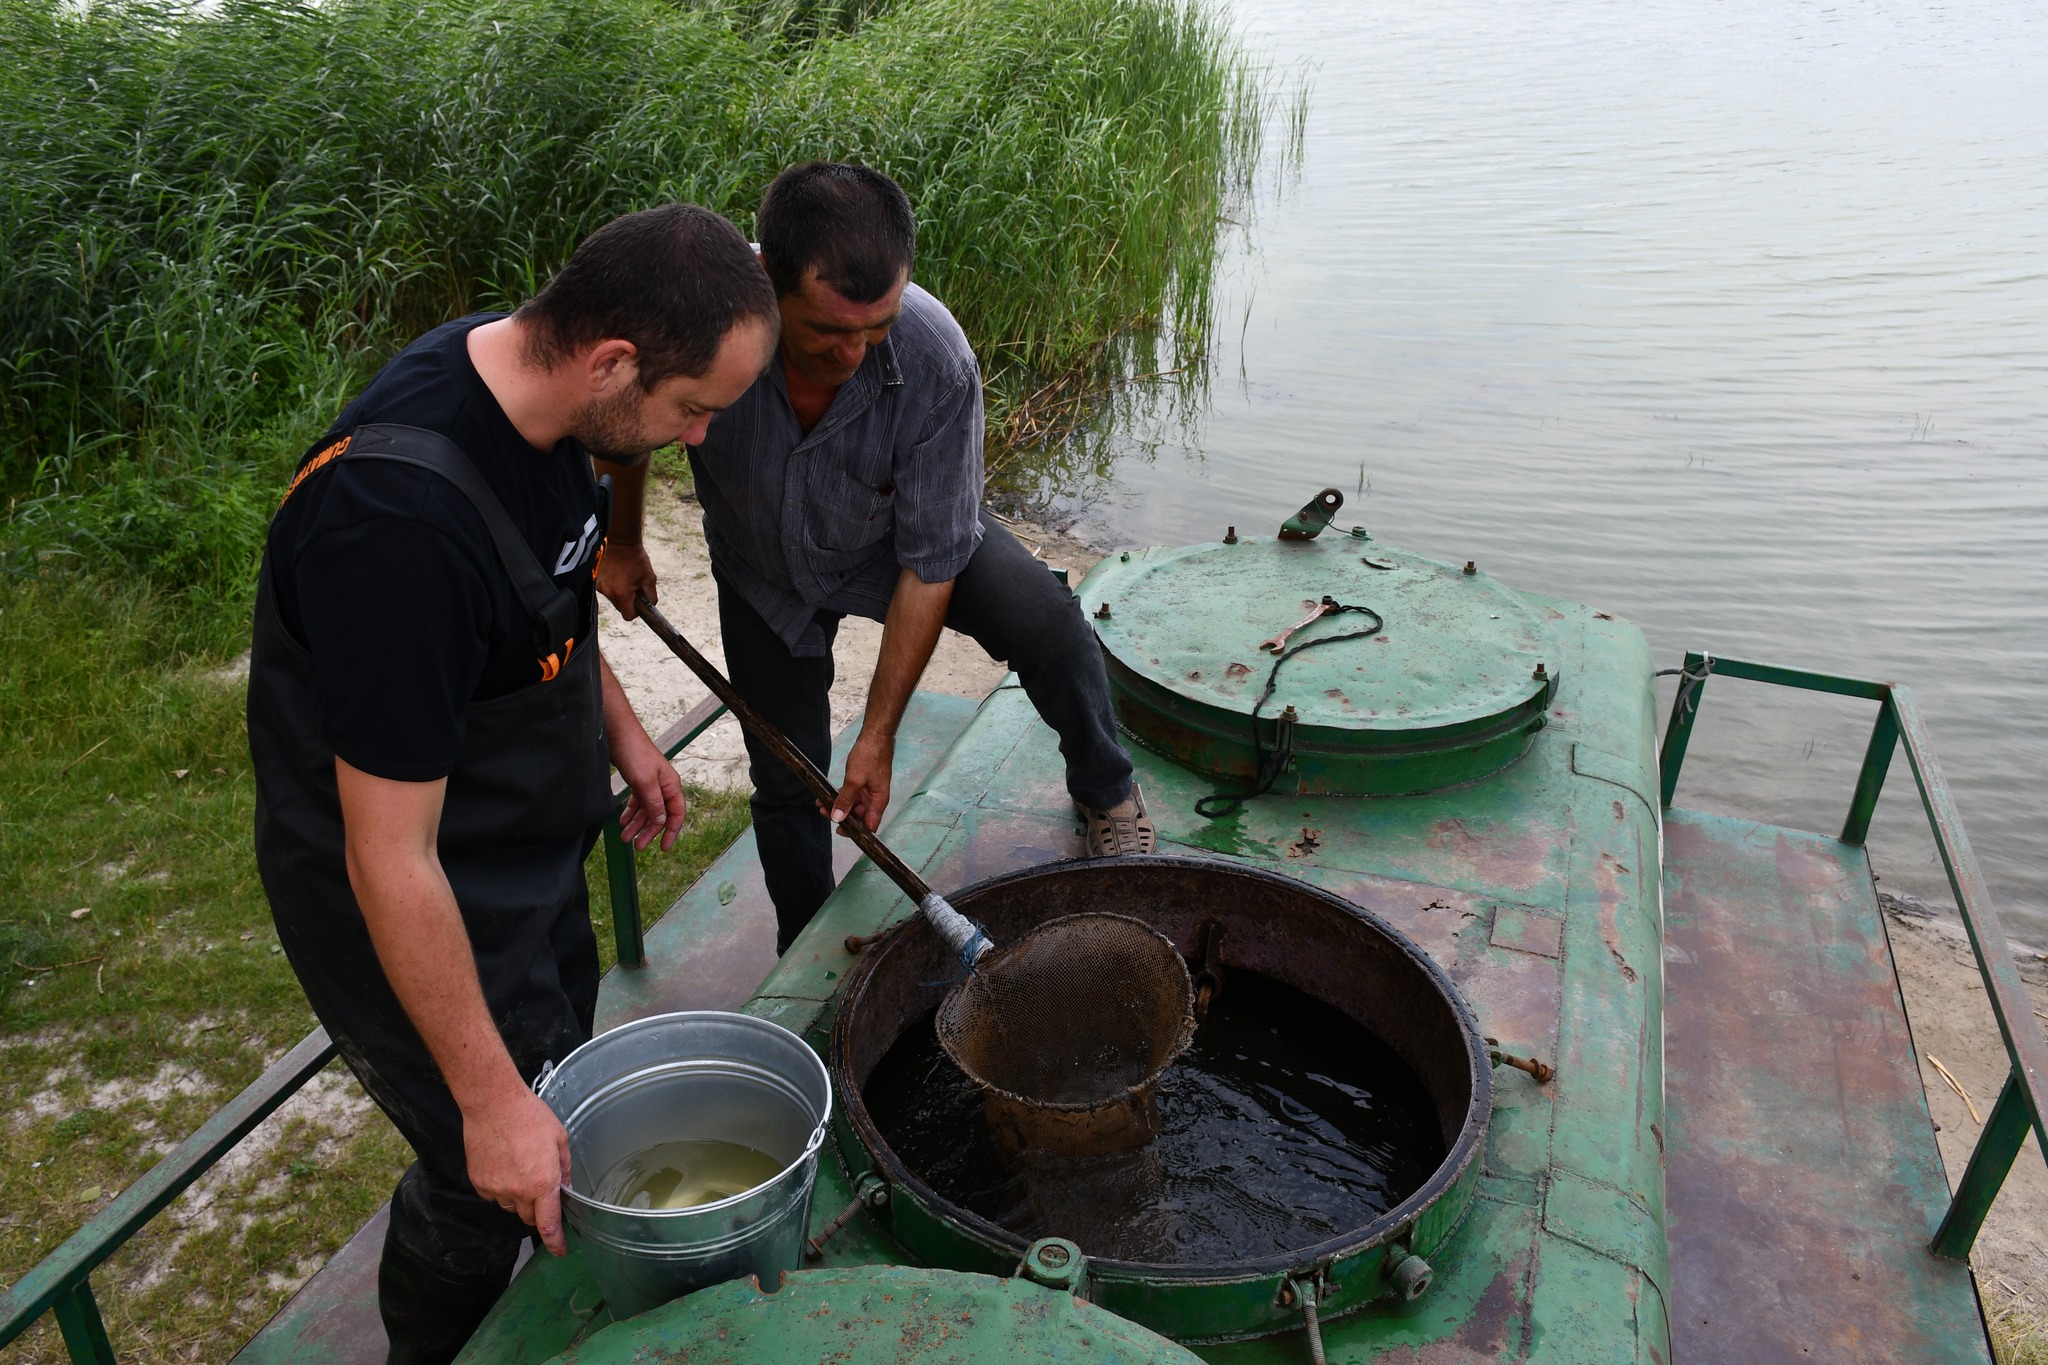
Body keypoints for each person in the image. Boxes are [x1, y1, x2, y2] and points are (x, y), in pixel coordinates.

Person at [247, 205, 779, 1363]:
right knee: (485, 1161)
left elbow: (550, 596)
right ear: (612, 361)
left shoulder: (543, 404)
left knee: (557, 1070)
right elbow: (386, 854)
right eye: (693, 409)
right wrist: (487, 1107)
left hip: (515, 845)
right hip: (402, 885)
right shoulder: (393, 526)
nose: (695, 440)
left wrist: (624, 732)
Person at [596, 163, 1153, 957]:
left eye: (877, 326)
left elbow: (932, 564)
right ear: (765, 280)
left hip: (891, 541)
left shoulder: (937, 362)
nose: (854, 352)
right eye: (828, 331)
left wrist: (879, 736)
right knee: (784, 774)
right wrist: (622, 540)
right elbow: (630, 425)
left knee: (1047, 619)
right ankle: (806, 945)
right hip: (763, 568)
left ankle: (1108, 790)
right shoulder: (699, 315)